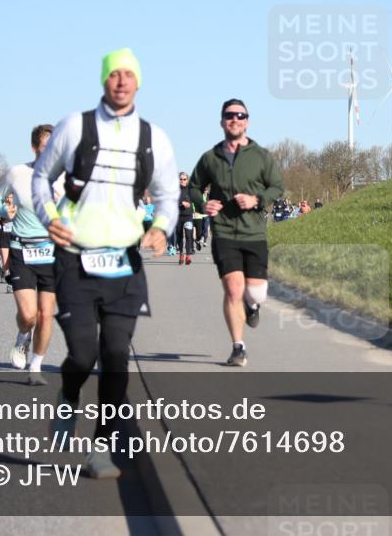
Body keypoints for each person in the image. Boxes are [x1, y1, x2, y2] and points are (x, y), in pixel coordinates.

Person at [32, 47, 178, 478]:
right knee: (81, 353)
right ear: (103, 80)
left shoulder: (153, 138)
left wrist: (162, 227)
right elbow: (41, 176)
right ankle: (68, 395)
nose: (121, 81)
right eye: (114, 74)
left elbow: (169, 195)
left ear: (138, 81)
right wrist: (50, 217)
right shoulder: (74, 126)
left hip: (124, 265)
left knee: (115, 356)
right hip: (76, 261)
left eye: (129, 74)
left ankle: (101, 449)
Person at [188, 99, 284, 367]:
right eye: (230, 115)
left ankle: (252, 307)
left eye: (240, 115)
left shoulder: (261, 156)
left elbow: (277, 187)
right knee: (233, 289)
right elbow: (194, 187)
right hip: (224, 231)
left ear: (247, 121)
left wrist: (257, 200)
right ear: (222, 121)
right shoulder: (210, 158)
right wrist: (202, 203)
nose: (235, 119)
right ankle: (238, 347)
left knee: (256, 293)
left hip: (253, 232)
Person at [0, 124, 62, 385]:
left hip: (53, 253)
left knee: (45, 315)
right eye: (45, 148)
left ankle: (36, 366)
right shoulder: (17, 173)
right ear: (34, 148)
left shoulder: (65, 177)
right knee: (29, 315)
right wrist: (2, 212)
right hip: (23, 250)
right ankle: (22, 337)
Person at [176, 172, 195, 265]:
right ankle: (181, 255)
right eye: (181, 179)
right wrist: (181, 203)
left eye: (184, 179)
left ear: (187, 180)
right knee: (179, 236)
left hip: (188, 216)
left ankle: (188, 256)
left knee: (188, 235)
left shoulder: (191, 189)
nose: (183, 181)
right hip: (178, 216)